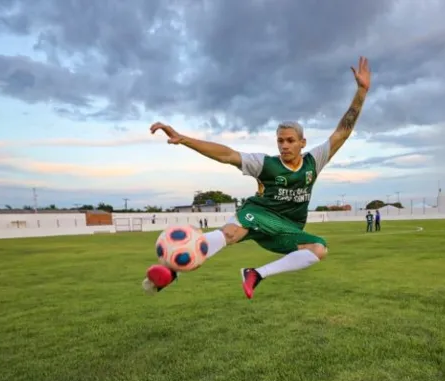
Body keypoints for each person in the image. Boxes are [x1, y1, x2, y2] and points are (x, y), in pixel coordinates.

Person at [143, 57, 372, 299]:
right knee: (230, 233)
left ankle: (256, 274)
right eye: (280, 140)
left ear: (302, 143)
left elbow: (342, 132)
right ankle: (170, 270)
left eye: (290, 140)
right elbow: (227, 155)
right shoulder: (265, 164)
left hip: (288, 228)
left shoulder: (314, 162)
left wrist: (361, 91)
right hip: (259, 214)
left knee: (318, 249)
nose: (284, 145)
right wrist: (185, 139)